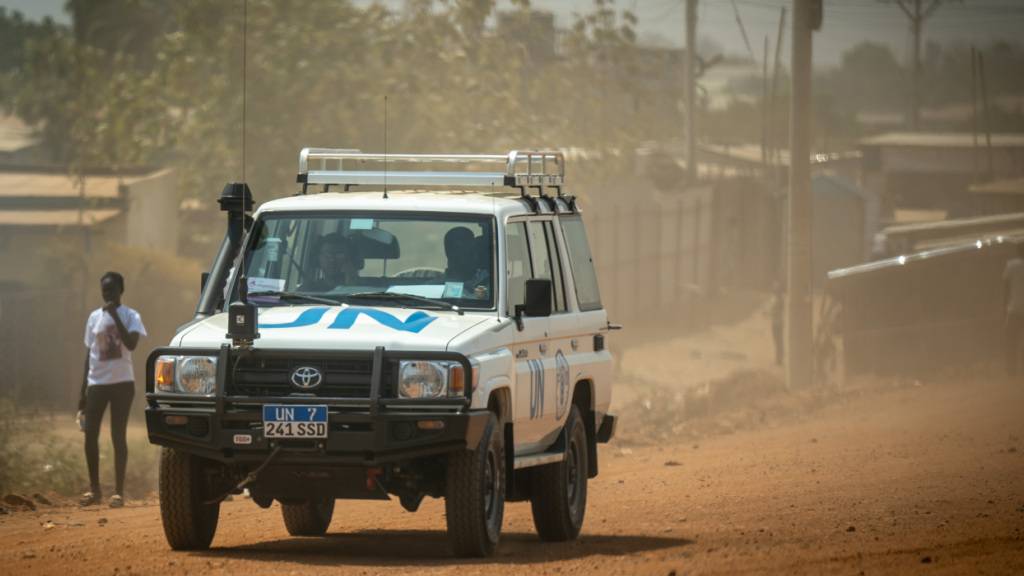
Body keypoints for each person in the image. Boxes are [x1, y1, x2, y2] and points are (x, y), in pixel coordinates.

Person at [77, 272, 146, 508]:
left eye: (112, 289)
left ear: (120, 291)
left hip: (122, 384)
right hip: (96, 383)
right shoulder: (93, 317)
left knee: (118, 435)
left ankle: (118, 492)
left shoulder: (131, 316)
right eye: (104, 290)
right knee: (90, 436)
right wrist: (82, 395)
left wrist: (115, 315)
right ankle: (94, 490)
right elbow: (89, 354)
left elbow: (132, 344)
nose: (107, 294)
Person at [443, 227, 490, 300]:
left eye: (473, 251)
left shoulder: (491, 281)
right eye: (458, 250)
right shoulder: (436, 286)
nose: (475, 256)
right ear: (449, 254)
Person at [1003, 243, 1024, 377]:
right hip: (1016, 308)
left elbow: (1006, 287)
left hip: (1014, 309)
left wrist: (1004, 307)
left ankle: (1011, 371)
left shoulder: (1011, 265)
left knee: (1011, 341)